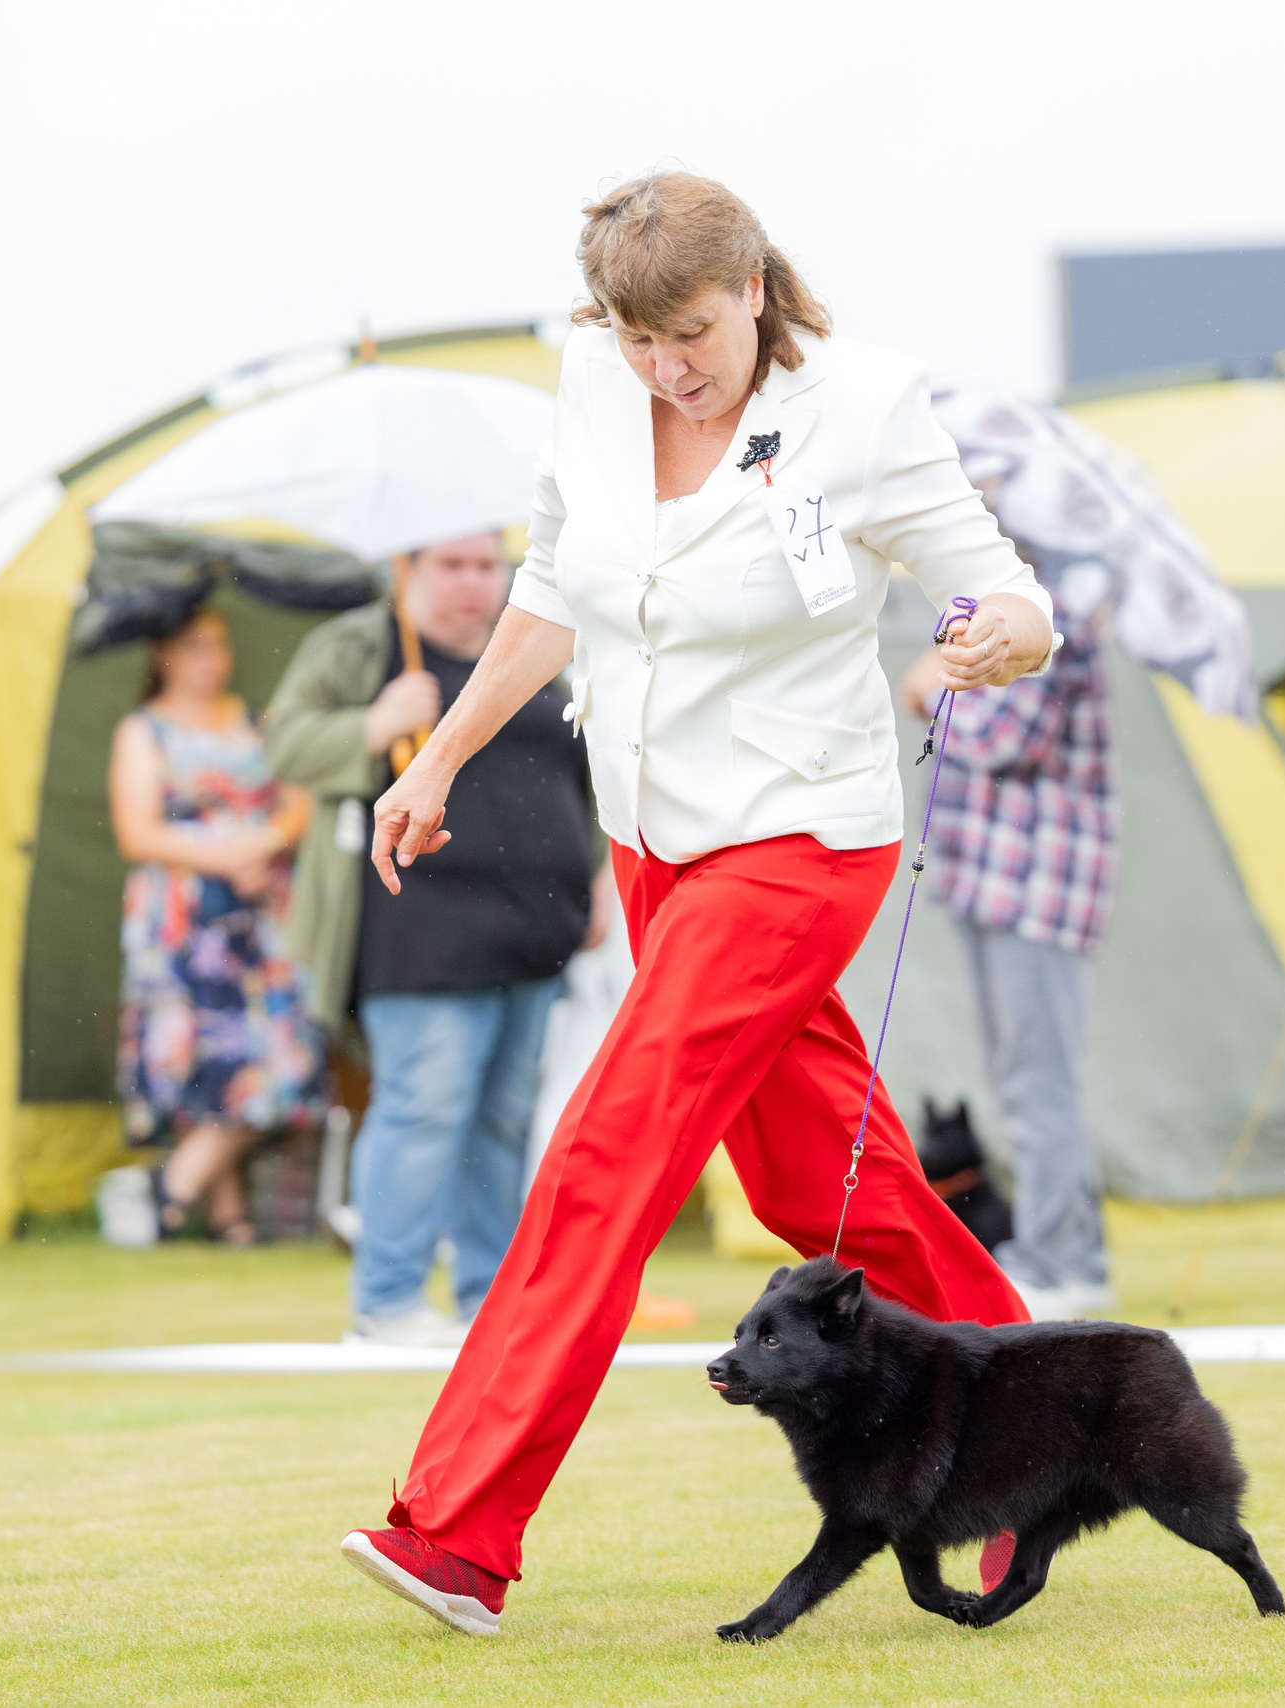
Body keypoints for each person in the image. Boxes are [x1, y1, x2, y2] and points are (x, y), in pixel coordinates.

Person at [335, 171, 1059, 1637]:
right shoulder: (594, 387)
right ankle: (1032, 1430)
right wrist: (443, 759)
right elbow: (555, 582)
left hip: (800, 841)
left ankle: (460, 1531)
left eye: (692, 331)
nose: (668, 365)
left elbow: (1008, 596)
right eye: (637, 336)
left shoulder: (864, 407)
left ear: (753, 288)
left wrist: (1001, 639)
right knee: (820, 1189)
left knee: (615, 1141)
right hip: (656, 845)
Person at [265, 531, 609, 1347]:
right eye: (450, 566)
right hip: (414, 927)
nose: (472, 584)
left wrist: (596, 872)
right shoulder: (359, 649)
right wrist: (369, 725)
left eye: (487, 565)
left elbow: (581, 768)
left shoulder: (533, 641)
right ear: (406, 570)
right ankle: (386, 1303)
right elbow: (283, 744)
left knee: (504, 1116)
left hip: (535, 926)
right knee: (425, 1109)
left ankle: (487, 1305)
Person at [897, 546, 1117, 1320]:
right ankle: (1070, 1254)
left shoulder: (1052, 615)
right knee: (1024, 1078)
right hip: (993, 883)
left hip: (1036, 887)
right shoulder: (1001, 609)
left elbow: (1002, 742)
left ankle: (1059, 1263)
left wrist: (930, 691)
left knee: (1038, 1083)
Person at [108, 604, 331, 1243]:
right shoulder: (143, 731)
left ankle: (170, 1188)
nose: (212, 659)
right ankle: (226, 1215)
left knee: (275, 1057)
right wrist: (228, 855)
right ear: (164, 655)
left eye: (219, 645)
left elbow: (297, 806)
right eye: (195, 646)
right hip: (181, 923)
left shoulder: (258, 720)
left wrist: (260, 849)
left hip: (261, 920)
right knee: (202, 1061)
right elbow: (137, 831)